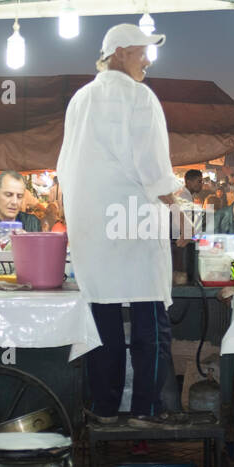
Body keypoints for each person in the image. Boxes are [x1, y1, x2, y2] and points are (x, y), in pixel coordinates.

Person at [57, 23, 186, 429]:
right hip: (135, 222)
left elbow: (66, 164)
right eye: (141, 52)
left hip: (93, 228)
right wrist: (176, 202)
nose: (148, 60)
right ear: (118, 53)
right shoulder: (139, 97)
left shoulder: (80, 99)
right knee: (148, 317)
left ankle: (105, 408)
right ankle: (145, 411)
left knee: (103, 320)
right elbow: (152, 165)